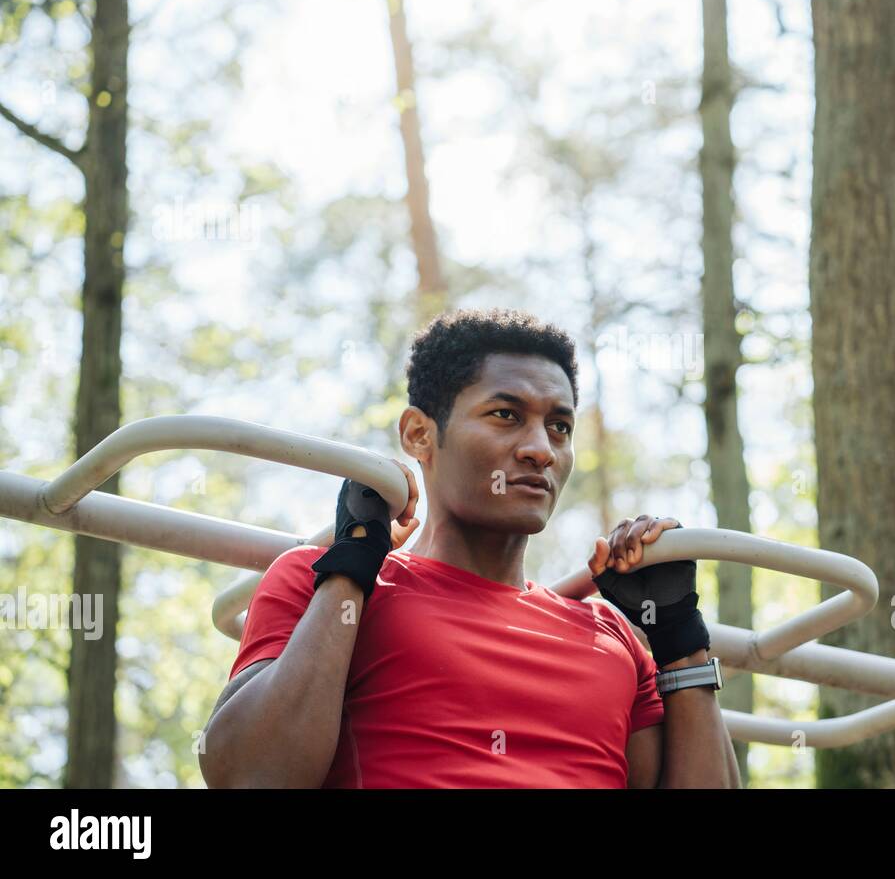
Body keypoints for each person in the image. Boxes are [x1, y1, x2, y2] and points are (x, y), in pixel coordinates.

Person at [199, 307, 740, 788]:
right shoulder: (323, 580)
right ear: (418, 435)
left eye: (559, 426)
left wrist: (679, 642)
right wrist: (353, 561)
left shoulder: (613, 636)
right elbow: (252, 775)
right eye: (506, 415)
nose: (540, 450)